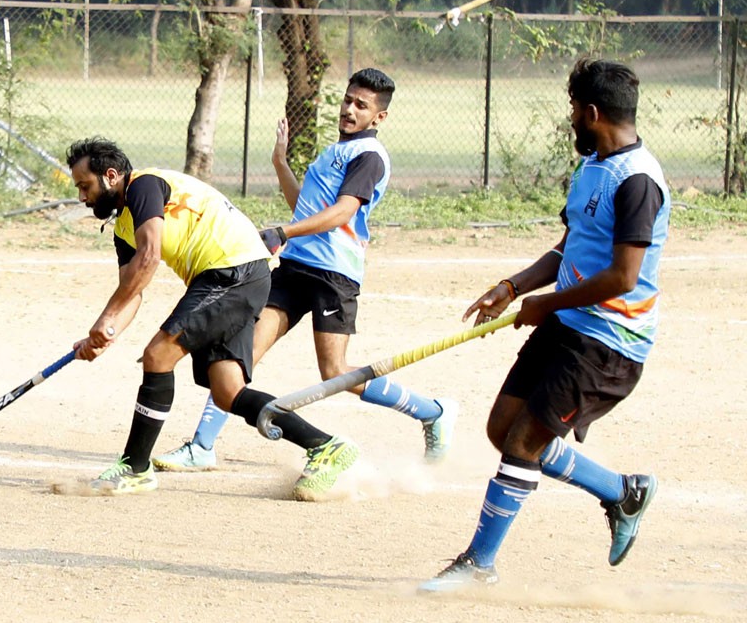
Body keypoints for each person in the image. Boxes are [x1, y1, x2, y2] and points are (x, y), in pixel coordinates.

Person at [419, 59, 669, 592]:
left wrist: (546, 305)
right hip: (568, 323)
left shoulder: (638, 181)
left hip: (609, 341)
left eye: (573, 108)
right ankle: (621, 492)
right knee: (502, 430)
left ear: (592, 112)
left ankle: (478, 564)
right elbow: (569, 247)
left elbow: (623, 277)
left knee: (523, 444)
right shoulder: (593, 166)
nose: (571, 118)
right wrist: (512, 288)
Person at [153, 68, 456, 474]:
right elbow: (305, 208)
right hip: (295, 267)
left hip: (334, 275)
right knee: (240, 355)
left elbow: (343, 213)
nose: (349, 109)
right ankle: (202, 446)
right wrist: (280, 162)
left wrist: (283, 232)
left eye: (361, 105)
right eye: (348, 99)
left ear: (379, 117)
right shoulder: (336, 150)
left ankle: (431, 411)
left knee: (335, 371)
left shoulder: (368, 156)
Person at [67, 137, 357, 499]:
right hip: (231, 274)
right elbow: (132, 289)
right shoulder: (123, 225)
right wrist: (106, 332)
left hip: (232, 269)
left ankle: (135, 468)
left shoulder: (144, 186)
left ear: (111, 176)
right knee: (227, 391)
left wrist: (106, 317)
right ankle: (326, 446)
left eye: (85, 186)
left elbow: (149, 257)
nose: (82, 196)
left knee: (158, 355)